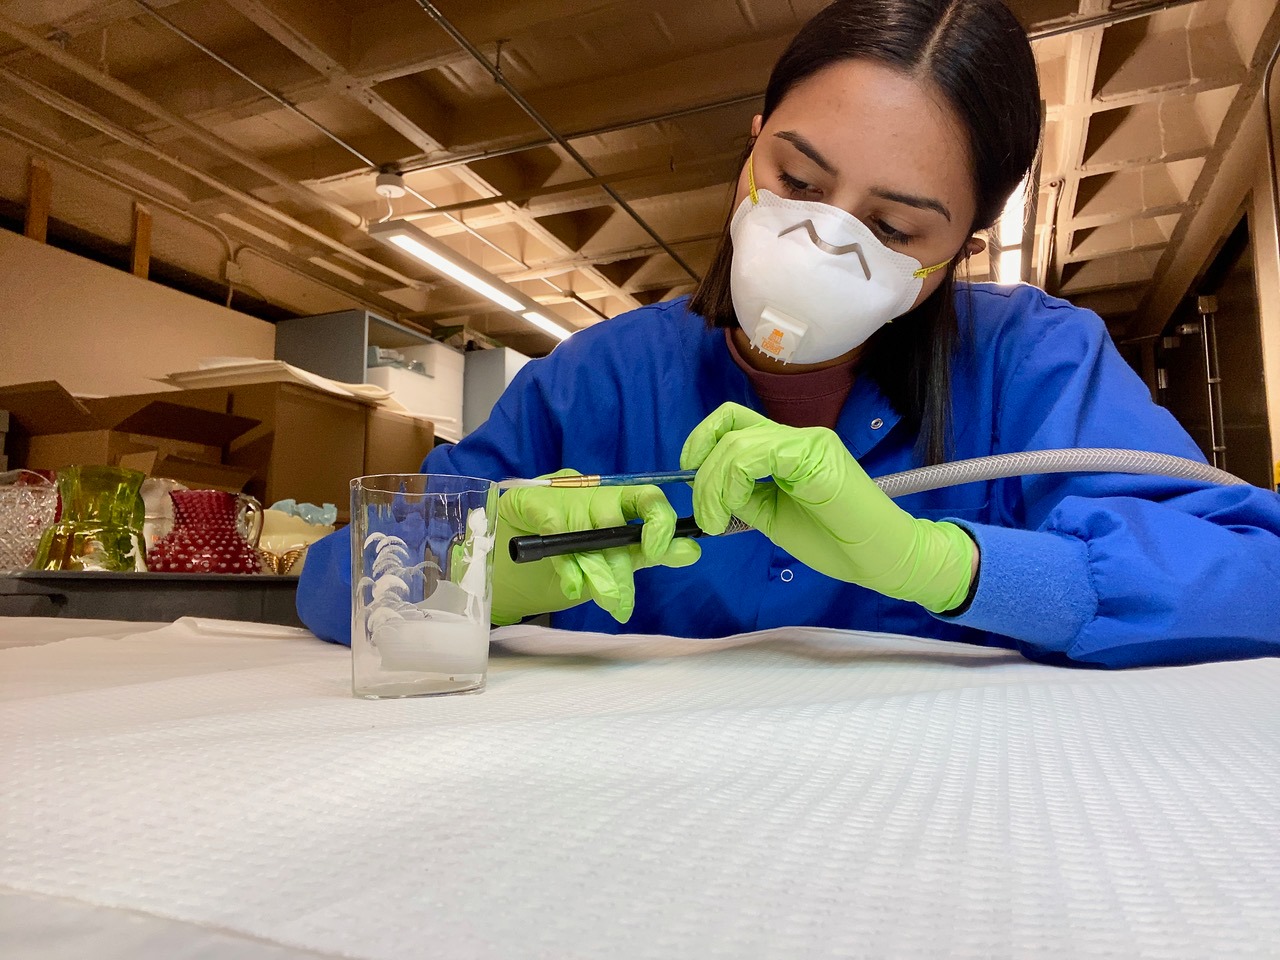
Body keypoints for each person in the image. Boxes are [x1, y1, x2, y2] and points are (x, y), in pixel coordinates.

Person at [298, 0, 1280, 668]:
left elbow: (1252, 581)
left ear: (955, 250)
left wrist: (944, 564)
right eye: (797, 182)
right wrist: (478, 570)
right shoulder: (598, 380)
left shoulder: (1034, 365)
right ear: (752, 140)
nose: (818, 239)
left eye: (891, 229)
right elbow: (333, 579)